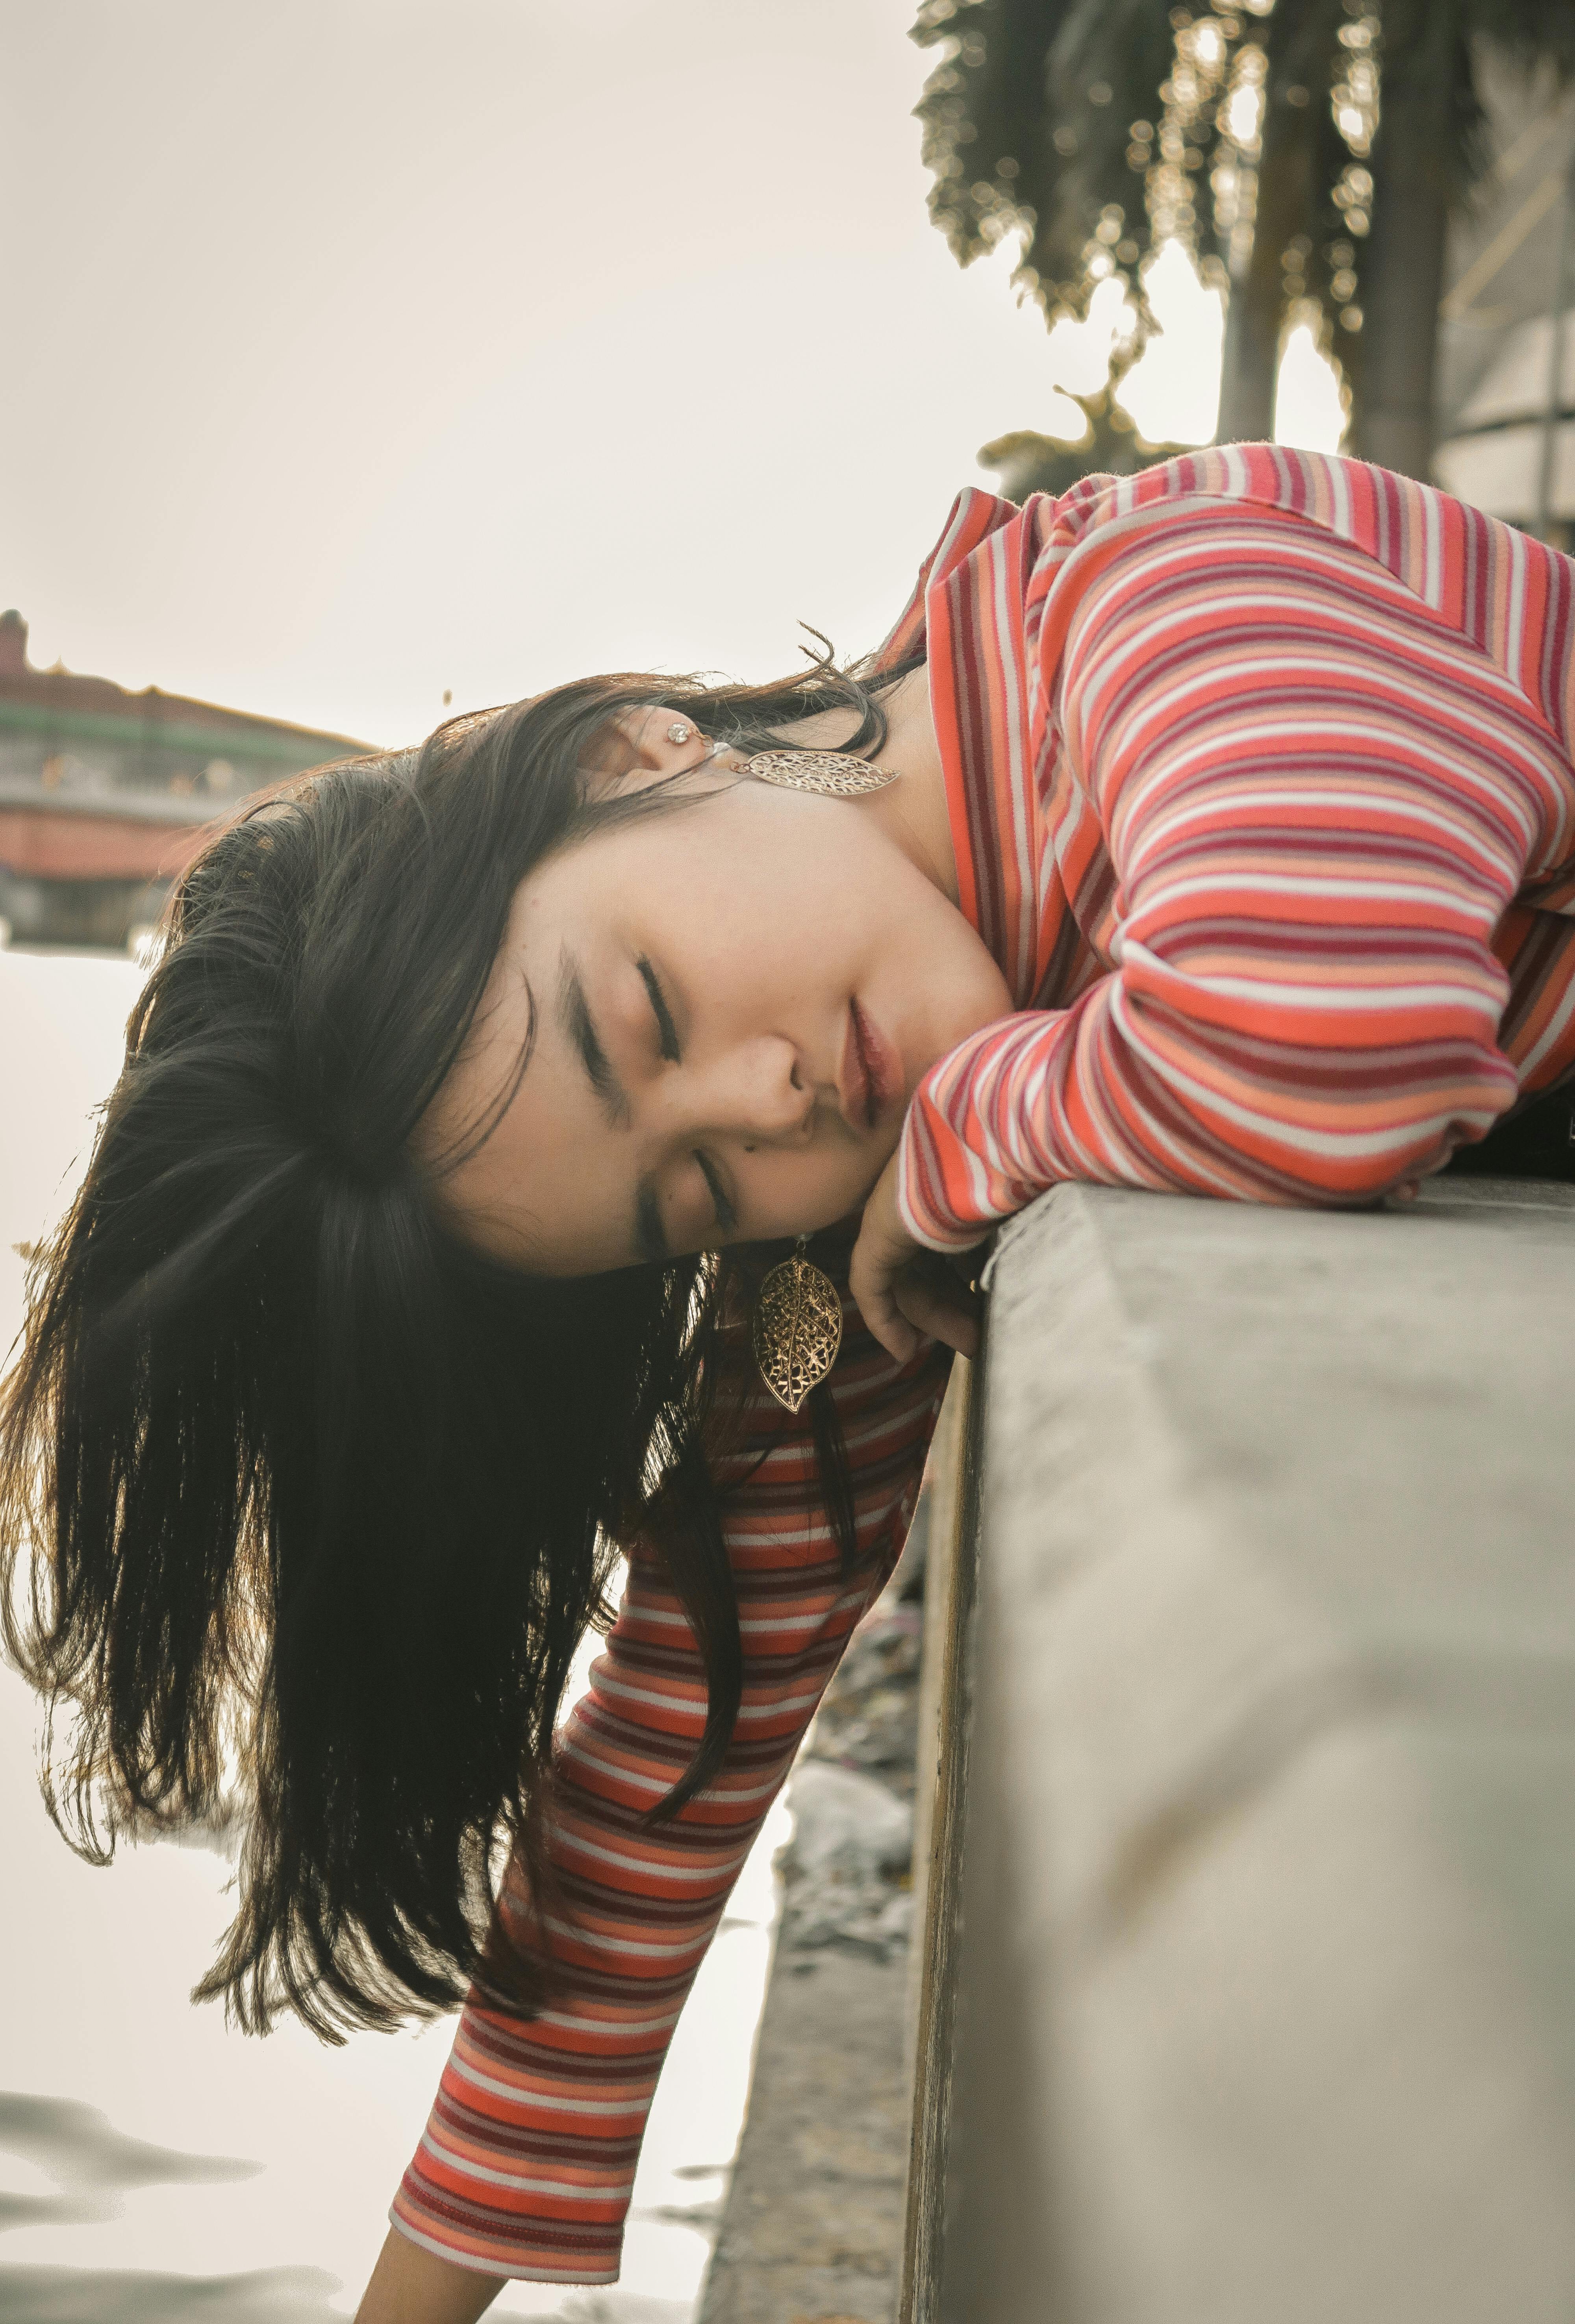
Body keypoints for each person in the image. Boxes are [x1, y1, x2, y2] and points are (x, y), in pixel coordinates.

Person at [3, 445, 1574, 2324]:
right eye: (690, 1195)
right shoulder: (886, 1119)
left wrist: (953, 1149)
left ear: (630, 755)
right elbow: (670, 1738)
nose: (764, 1110)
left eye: (643, 1014)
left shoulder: (1160, 594)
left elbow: (1325, 1035)